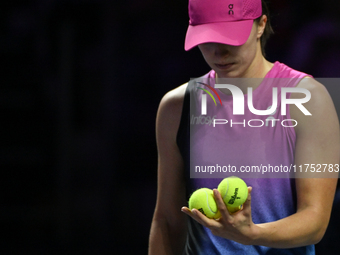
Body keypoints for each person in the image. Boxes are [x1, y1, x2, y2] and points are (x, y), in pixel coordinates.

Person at [148, 0, 339, 254]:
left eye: (230, 37)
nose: (219, 51)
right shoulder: (176, 107)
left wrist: (252, 234)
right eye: (207, 38)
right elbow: (167, 221)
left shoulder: (310, 99)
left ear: (261, 25)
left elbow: (316, 221)